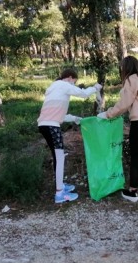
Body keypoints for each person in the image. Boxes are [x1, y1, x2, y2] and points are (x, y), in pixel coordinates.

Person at [97, 56, 138, 202]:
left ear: (126, 68)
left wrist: (107, 114)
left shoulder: (131, 79)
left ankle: (133, 192)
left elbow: (124, 103)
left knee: (136, 155)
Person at [38, 69, 101, 203]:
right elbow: (83, 94)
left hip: (44, 125)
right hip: (52, 126)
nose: (74, 84)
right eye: (74, 81)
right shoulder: (64, 85)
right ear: (70, 77)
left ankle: (59, 186)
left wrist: (74, 118)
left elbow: (57, 114)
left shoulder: (54, 88)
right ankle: (59, 194)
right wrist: (95, 88)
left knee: (57, 156)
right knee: (60, 157)